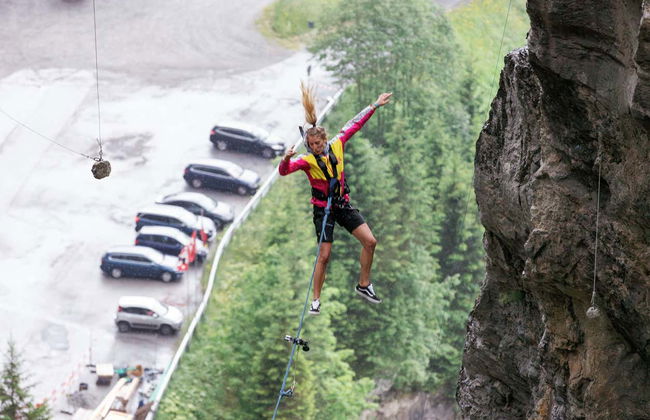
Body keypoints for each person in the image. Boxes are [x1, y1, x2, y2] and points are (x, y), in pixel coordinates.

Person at [279, 83, 392, 315]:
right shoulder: (306, 161)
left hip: (342, 204)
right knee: (325, 255)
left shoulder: (338, 143)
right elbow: (283, 172)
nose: (315, 149)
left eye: (318, 144)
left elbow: (355, 123)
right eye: (311, 146)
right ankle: (316, 300)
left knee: (370, 242)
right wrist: (286, 159)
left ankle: (364, 285)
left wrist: (374, 105)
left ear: (325, 140)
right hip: (323, 210)